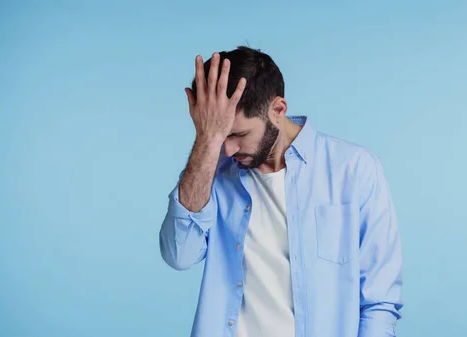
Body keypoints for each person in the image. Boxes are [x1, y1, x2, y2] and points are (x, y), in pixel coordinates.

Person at [159, 46, 403, 337]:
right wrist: (206, 140)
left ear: (277, 110)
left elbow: (379, 303)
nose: (227, 149)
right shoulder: (210, 171)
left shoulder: (353, 170)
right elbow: (179, 254)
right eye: (218, 135)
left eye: (237, 134)